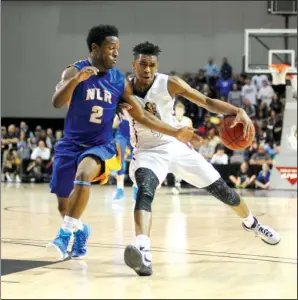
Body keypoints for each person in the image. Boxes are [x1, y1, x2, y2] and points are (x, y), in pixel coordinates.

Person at [122, 42, 280, 276]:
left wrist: (236, 111)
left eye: (152, 65)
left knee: (224, 191)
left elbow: (205, 101)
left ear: (157, 66)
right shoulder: (124, 89)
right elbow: (144, 118)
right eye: (142, 64)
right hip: (147, 151)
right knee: (146, 190)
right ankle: (143, 251)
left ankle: (253, 224)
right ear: (133, 64)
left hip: (176, 145)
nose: (147, 69)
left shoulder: (169, 83)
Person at [46, 25, 200, 261]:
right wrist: (76, 80)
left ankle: (64, 233)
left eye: (118, 49)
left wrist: (175, 131)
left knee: (85, 172)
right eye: (111, 49)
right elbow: (57, 102)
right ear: (95, 48)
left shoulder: (119, 80)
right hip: (71, 144)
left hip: (101, 144)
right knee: (63, 206)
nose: (116, 53)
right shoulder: (72, 72)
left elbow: (142, 115)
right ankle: (79, 230)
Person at [112, 114, 138, 200]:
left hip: (135, 133)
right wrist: (115, 123)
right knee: (119, 159)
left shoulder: (137, 103)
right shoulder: (120, 105)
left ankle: (136, 186)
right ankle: (120, 189)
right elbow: (114, 124)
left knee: (137, 160)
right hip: (121, 134)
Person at [171, 100, 193, 194]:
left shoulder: (187, 120)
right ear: (174, 110)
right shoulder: (170, 119)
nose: (179, 111)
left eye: (181, 109)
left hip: (184, 144)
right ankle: (176, 184)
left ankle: (178, 183)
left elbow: (191, 133)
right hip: (172, 144)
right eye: (177, 109)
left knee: (182, 166)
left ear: (184, 111)